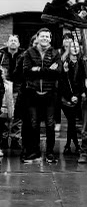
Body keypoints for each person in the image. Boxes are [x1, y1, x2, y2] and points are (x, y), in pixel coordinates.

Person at [22, 28, 62, 163]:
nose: (44, 38)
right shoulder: (29, 52)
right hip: (32, 94)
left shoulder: (55, 53)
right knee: (34, 124)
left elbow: (57, 73)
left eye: (47, 36)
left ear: (50, 39)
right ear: (37, 37)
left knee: (50, 125)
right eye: (42, 36)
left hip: (49, 94)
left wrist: (37, 69)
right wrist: (47, 70)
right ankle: (35, 152)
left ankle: (50, 152)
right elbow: (26, 71)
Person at [60, 38, 86, 156]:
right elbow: (63, 82)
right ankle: (73, 144)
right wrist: (70, 96)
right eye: (72, 46)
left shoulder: (82, 62)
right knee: (71, 121)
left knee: (72, 121)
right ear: (68, 48)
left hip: (78, 96)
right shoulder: (64, 62)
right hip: (66, 96)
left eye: (76, 46)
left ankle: (69, 145)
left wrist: (78, 95)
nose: (74, 49)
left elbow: (83, 80)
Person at [0, 34, 23, 148]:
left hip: (18, 88)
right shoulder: (1, 55)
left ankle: (15, 138)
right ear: (7, 43)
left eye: (15, 41)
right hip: (4, 88)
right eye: (11, 40)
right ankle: (4, 137)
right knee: (4, 114)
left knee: (17, 114)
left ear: (18, 44)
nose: (13, 42)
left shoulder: (23, 55)